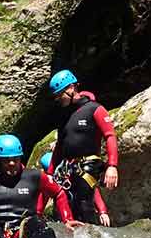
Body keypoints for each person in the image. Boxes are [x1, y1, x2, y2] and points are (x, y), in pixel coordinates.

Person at [47, 69, 119, 225]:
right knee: (67, 206)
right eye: (56, 97)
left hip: (88, 166)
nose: (59, 99)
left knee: (84, 202)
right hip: (68, 168)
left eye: (61, 95)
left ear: (72, 88)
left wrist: (112, 166)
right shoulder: (63, 116)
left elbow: (110, 136)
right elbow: (60, 146)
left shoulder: (94, 109)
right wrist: (50, 173)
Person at [37, 151, 111, 227]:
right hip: (64, 213)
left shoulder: (75, 174)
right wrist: (38, 215)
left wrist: (102, 211)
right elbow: (44, 197)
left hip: (80, 210)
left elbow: (93, 191)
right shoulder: (52, 181)